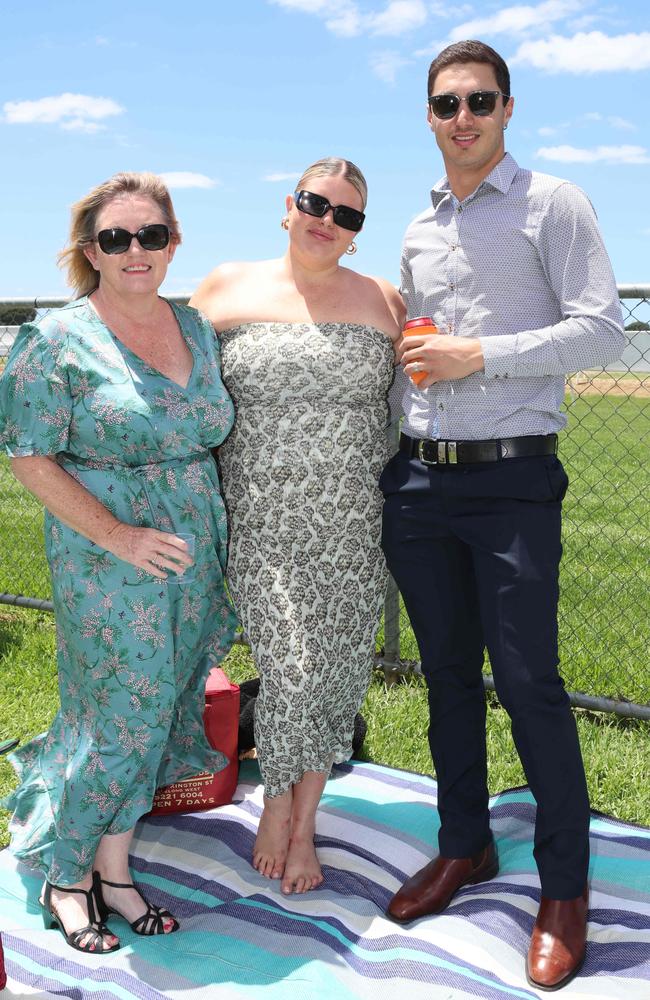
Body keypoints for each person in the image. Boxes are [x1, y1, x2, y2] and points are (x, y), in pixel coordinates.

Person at [380, 40, 624, 991]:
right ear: (431, 117)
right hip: (421, 483)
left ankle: (564, 887)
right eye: (447, 104)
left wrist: (477, 356)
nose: (464, 117)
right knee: (445, 677)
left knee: (528, 682)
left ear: (509, 109)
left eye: (481, 100)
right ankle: (464, 845)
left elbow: (602, 327)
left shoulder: (552, 201)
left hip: (515, 480)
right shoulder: (416, 229)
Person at [0, 172, 236, 952]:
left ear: (173, 244)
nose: (136, 251)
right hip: (109, 559)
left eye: (152, 236)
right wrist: (119, 536)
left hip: (191, 555)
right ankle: (65, 874)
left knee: (163, 711)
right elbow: (29, 457)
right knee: (118, 724)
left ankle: (116, 866)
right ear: (90, 250)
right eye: (116, 238)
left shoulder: (195, 327)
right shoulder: (56, 338)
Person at [192, 157, 404, 896]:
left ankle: (304, 821)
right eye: (318, 203)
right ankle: (274, 805)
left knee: (338, 675)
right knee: (292, 668)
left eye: (348, 215)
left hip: (356, 518)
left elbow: (412, 406)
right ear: (290, 205)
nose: (328, 221)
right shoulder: (225, 287)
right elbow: (173, 379)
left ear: (357, 233)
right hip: (260, 515)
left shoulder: (384, 299)